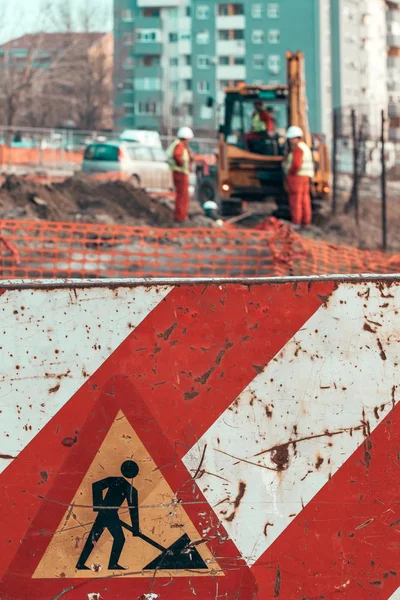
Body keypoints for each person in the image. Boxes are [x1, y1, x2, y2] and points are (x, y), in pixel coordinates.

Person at [284, 126, 314, 227]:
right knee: (305, 200)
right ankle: (306, 221)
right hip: (305, 177)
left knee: (295, 200)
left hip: (297, 178)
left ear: (295, 138)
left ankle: (296, 222)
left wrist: (290, 172)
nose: (290, 141)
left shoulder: (298, 149)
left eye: (291, 139)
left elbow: (296, 164)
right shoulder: (305, 147)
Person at [167, 127, 194, 223]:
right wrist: (182, 164)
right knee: (182, 196)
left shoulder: (180, 145)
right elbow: (177, 156)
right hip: (180, 174)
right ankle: (180, 217)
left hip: (180, 173)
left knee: (183, 195)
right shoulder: (179, 145)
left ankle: (182, 216)